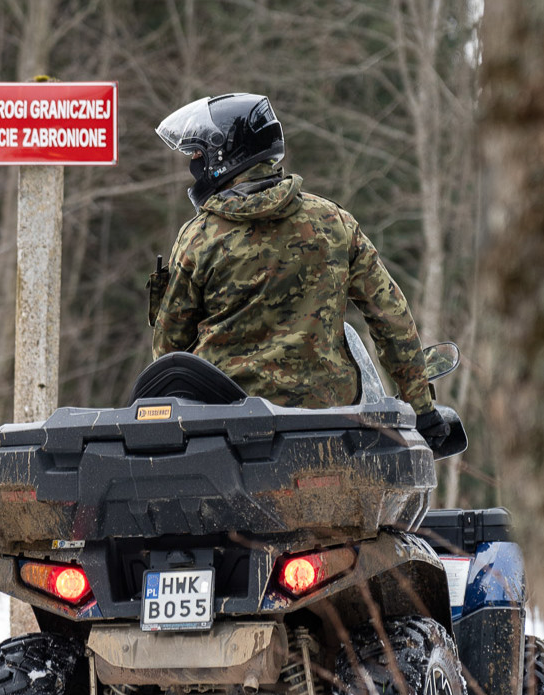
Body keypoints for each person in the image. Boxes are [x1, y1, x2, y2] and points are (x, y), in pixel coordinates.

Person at [149, 93, 448, 443]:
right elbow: (391, 317)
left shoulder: (199, 237)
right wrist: (422, 408)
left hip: (224, 430)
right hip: (329, 427)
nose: (195, 167)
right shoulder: (335, 223)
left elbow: (169, 351)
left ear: (224, 157)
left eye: (198, 156)